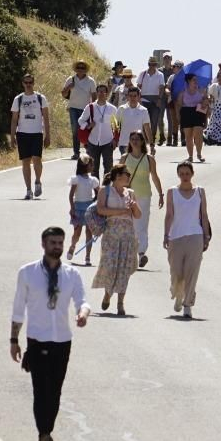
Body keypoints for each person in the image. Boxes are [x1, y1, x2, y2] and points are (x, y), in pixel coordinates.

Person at [10, 226, 91, 441]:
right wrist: (14, 340)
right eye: (53, 243)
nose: (57, 247)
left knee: (55, 390)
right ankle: (44, 434)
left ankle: (46, 430)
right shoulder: (27, 273)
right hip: (37, 339)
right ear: (43, 244)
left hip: (62, 340)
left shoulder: (71, 275)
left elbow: (82, 301)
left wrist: (83, 314)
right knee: (40, 389)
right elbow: (18, 308)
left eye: (60, 243)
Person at [162, 161, 211, 318]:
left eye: (187, 173)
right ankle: (178, 294)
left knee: (192, 272)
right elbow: (169, 214)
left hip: (195, 236)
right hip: (176, 236)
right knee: (176, 272)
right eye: (181, 174)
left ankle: (187, 304)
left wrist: (206, 236)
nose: (184, 176)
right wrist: (166, 234)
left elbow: (204, 215)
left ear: (192, 174)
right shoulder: (172, 192)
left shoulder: (200, 192)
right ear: (178, 175)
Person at [92, 164, 141, 316]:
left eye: (128, 175)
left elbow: (138, 215)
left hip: (128, 233)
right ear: (117, 176)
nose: (127, 177)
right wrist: (121, 211)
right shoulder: (104, 191)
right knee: (110, 265)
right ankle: (108, 294)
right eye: (125, 174)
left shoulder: (130, 193)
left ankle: (120, 302)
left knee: (124, 268)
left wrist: (133, 207)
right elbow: (101, 209)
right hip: (111, 233)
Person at [118, 131, 164, 268]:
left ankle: (141, 253)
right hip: (127, 196)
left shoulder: (149, 159)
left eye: (137, 139)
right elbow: (117, 177)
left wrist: (160, 194)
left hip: (144, 195)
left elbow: (154, 176)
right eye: (132, 139)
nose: (135, 141)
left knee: (142, 225)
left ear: (142, 141)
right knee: (128, 225)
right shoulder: (124, 158)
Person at [10, 73, 48, 200]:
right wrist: (12, 136)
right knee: (25, 161)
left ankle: (37, 181)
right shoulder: (18, 99)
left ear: (33, 83)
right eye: (26, 82)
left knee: (37, 159)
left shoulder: (40, 98)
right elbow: (14, 119)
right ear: (22, 84)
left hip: (37, 132)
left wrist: (48, 135)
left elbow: (46, 118)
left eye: (30, 82)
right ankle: (28, 190)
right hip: (22, 133)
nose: (28, 85)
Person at [79, 83, 120, 180]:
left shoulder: (112, 109)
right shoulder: (90, 107)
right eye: (99, 91)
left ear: (107, 93)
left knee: (108, 168)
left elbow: (116, 126)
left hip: (107, 142)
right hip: (92, 141)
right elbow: (81, 120)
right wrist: (88, 126)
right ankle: (96, 192)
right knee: (93, 168)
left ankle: (106, 191)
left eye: (103, 91)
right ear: (96, 93)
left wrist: (115, 140)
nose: (101, 93)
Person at [60, 61, 97, 161]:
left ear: (85, 69)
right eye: (79, 67)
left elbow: (94, 96)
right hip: (73, 108)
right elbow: (63, 94)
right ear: (76, 69)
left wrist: (93, 108)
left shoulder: (90, 81)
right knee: (75, 130)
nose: (80, 69)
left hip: (86, 109)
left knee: (86, 129)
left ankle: (89, 150)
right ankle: (76, 153)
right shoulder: (70, 79)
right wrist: (68, 87)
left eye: (82, 67)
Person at [66, 155, 99, 266]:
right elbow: (71, 196)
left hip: (89, 209)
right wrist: (72, 208)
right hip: (78, 209)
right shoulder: (76, 179)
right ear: (85, 166)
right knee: (77, 232)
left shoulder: (93, 180)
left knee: (89, 232)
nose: (92, 166)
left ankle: (87, 256)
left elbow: (99, 193)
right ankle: (73, 246)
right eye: (91, 164)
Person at [175, 73, 207, 163]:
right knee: (188, 136)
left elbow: (206, 101)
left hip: (198, 112)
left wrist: (206, 100)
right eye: (194, 80)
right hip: (186, 113)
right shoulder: (182, 92)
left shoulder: (201, 91)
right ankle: (190, 156)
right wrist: (178, 116)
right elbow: (179, 105)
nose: (196, 81)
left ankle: (199, 154)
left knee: (198, 134)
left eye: (196, 80)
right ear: (188, 81)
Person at [139, 56, 167, 148]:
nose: (152, 66)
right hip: (144, 99)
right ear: (148, 64)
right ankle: (144, 140)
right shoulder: (142, 74)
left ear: (156, 65)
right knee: (144, 121)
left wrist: (159, 98)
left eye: (154, 64)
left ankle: (152, 140)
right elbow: (139, 86)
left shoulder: (160, 75)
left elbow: (162, 87)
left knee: (154, 121)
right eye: (151, 64)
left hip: (155, 100)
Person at [116, 86, 153, 153]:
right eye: (130, 96)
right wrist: (114, 141)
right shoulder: (121, 109)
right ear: (127, 97)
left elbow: (147, 127)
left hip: (138, 144)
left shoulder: (143, 110)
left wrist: (151, 145)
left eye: (135, 96)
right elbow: (115, 127)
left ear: (139, 97)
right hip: (124, 144)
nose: (132, 98)